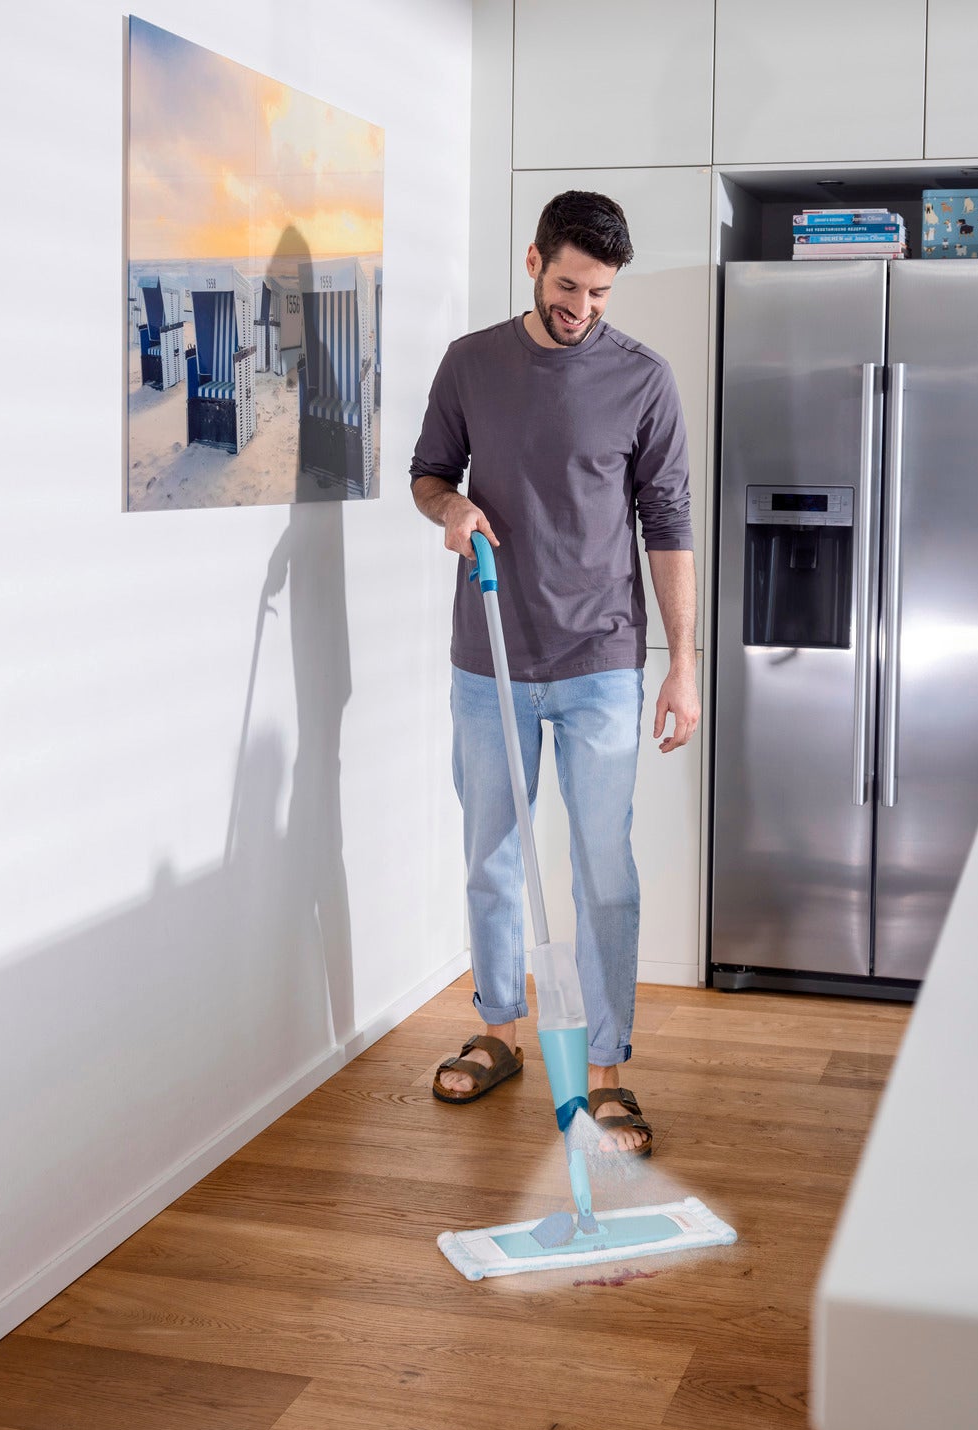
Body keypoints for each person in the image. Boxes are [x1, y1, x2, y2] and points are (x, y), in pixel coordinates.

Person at [409, 190, 696, 1156]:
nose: (581, 308)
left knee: (602, 867)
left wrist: (683, 665)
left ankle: (606, 1072)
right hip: (489, 656)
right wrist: (451, 510)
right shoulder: (471, 363)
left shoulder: (643, 380)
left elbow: (668, 528)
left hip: (601, 660)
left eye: (600, 293)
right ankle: (498, 1031)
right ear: (534, 261)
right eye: (569, 285)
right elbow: (429, 473)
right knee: (491, 852)